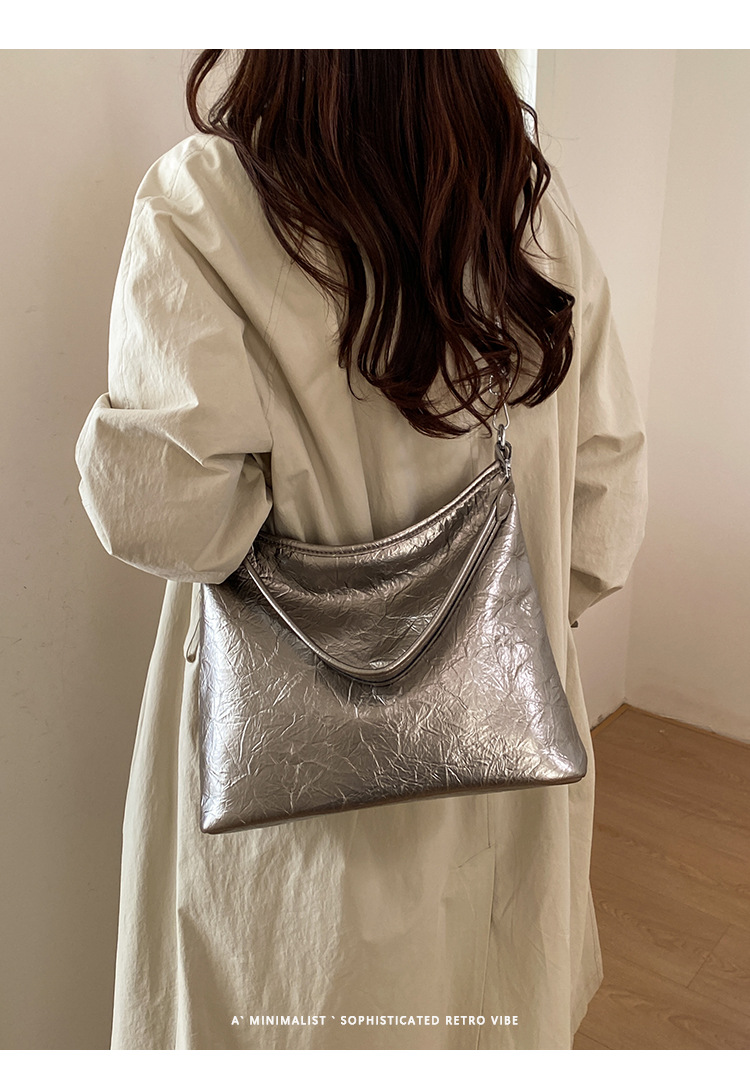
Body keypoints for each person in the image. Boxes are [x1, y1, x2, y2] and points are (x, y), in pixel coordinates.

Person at [75, 49, 647, 1050]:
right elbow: (601, 527)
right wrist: (481, 631)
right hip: (500, 793)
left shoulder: (207, 201)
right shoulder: (528, 214)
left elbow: (169, 517)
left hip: (291, 833)